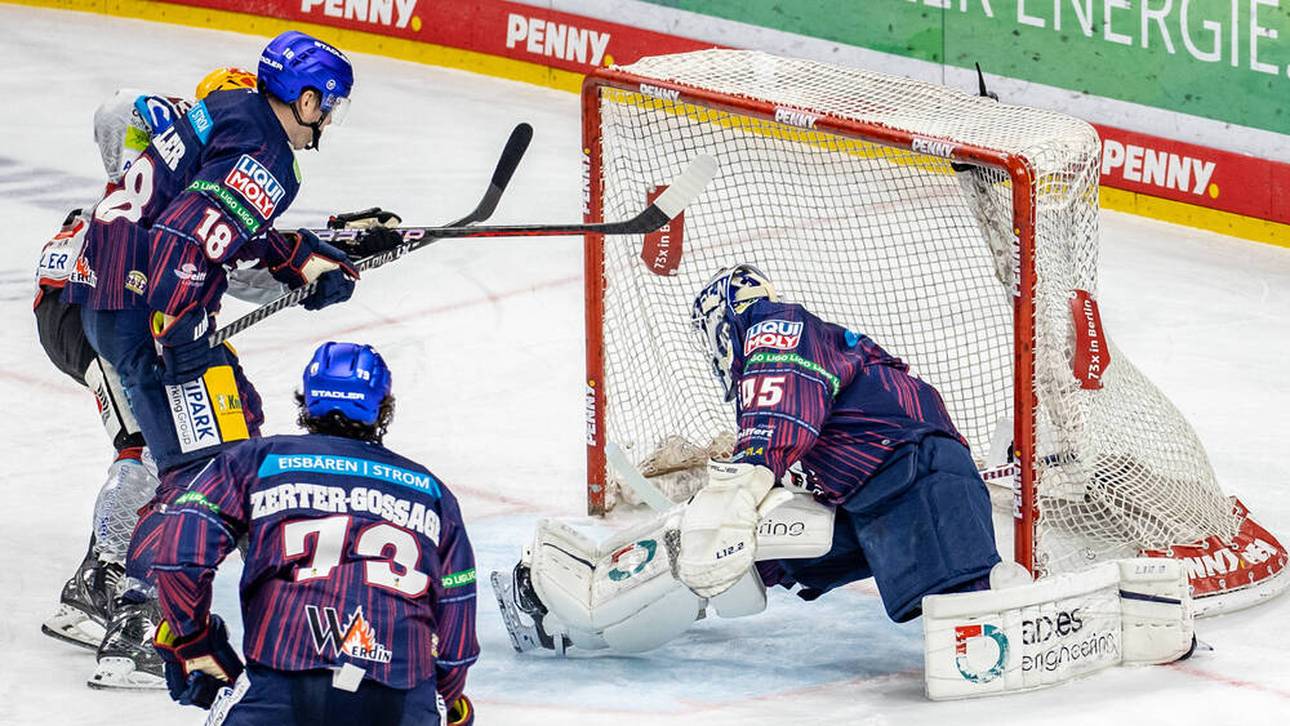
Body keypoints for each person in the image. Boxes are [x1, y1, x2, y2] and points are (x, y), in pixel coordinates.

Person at [61, 31, 403, 688]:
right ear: (305, 99)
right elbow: (186, 236)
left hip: (112, 290)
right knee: (202, 473)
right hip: (149, 309)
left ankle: (159, 602)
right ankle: (139, 620)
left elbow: (208, 214)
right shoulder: (268, 154)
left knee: (230, 431)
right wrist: (180, 327)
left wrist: (299, 254)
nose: (328, 119)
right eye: (328, 105)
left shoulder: (232, 110)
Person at [493, 263, 1005, 653]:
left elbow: (783, 409)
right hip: (872, 494)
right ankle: (571, 617)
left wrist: (747, 475)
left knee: (970, 613)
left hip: (917, 478)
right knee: (733, 552)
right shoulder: (800, 340)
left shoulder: (775, 328)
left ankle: (1012, 614)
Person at [35, 67, 281, 656]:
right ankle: (120, 594)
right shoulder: (176, 131)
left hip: (96, 302)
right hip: (91, 309)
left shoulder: (190, 164)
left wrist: (320, 250)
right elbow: (119, 113)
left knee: (209, 424)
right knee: (152, 449)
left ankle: (106, 580)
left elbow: (233, 256)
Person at [151, 342, 477, 725]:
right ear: (383, 406)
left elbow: (179, 559)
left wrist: (194, 641)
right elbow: (457, 637)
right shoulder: (431, 492)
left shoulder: (257, 461)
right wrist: (437, 699)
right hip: (398, 698)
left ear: (307, 400)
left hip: (282, 686)